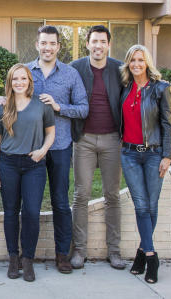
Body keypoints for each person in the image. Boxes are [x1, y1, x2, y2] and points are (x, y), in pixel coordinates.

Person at [16, 25, 88, 273]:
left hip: (60, 146)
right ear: (37, 45)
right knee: (30, 204)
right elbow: (12, 98)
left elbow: (83, 108)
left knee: (60, 201)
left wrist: (59, 107)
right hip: (31, 148)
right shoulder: (25, 71)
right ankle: (26, 256)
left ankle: (62, 254)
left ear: (59, 46)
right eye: (43, 43)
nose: (47, 47)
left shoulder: (70, 74)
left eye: (52, 43)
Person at [0, 64, 55, 282]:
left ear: (29, 81)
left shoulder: (41, 105)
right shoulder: (1, 107)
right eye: (15, 79)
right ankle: (13, 258)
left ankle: (27, 259)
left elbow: (51, 133)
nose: (19, 82)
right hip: (8, 165)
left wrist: (43, 151)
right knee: (10, 212)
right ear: (10, 82)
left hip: (34, 164)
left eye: (23, 78)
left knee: (31, 213)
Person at [69, 25, 126, 269]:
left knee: (112, 195)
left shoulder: (119, 68)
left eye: (102, 41)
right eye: (94, 41)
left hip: (113, 139)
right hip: (84, 139)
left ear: (108, 44)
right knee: (81, 195)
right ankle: (79, 250)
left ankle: (114, 250)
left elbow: (138, 88)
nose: (98, 46)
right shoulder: (76, 68)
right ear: (87, 44)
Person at [119, 44, 171, 284]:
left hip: (153, 154)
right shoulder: (125, 88)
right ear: (128, 64)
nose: (137, 64)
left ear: (147, 62)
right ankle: (152, 256)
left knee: (151, 206)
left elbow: (168, 124)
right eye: (133, 60)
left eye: (141, 60)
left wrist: (167, 155)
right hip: (129, 154)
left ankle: (142, 253)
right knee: (141, 205)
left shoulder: (161, 88)